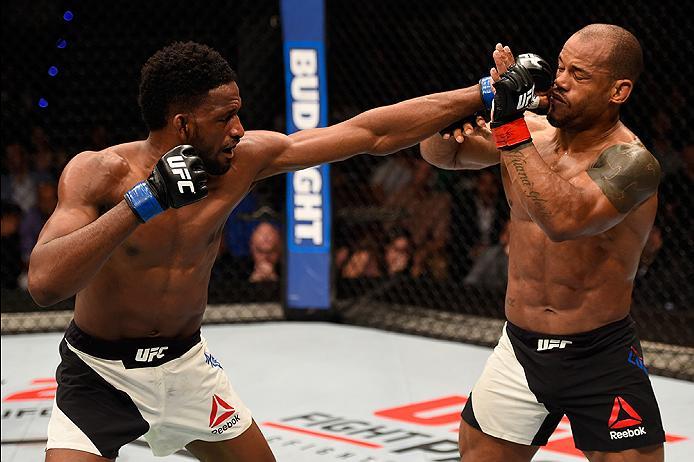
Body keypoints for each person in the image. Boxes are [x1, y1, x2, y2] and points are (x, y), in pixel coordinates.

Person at [28, 41, 486, 461]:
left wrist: (480, 92)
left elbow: (369, 134)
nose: (238, 129)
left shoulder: (244, 160)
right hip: (99, 374)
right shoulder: (101, 173)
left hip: (187, 368)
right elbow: (45, 283)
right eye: (224, 118)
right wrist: (144, 202)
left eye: (238, 113)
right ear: (182, 124)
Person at [420, 24, 665, 461]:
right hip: (520, 348)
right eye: (561, 67)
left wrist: (509, 123)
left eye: (580, 75)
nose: (561, 81)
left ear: (619, 91)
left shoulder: (634, 163)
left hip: (600, 354)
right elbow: (443, 155)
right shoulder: (530, 129)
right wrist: (471, 107)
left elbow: (563, 220)